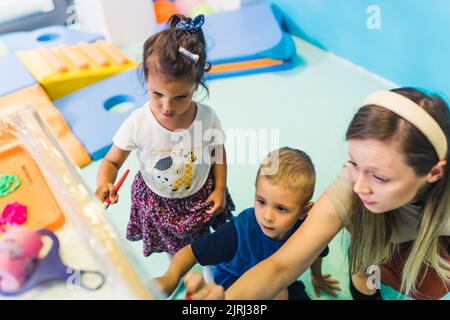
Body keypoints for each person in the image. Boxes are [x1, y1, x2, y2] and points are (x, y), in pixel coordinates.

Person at [184, 88, 450, 300]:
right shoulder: (352, 187)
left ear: (434, 173)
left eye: (379, 176)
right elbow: (280, 266)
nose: (358, 188)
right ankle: (364, 280)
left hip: (430, 242)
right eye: (353, 163)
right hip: (379, 250)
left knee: (430, 286)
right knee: (367, 274)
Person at [96, 14, 235, 257]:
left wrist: (220, 187)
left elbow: (218, 152)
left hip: (200, 195)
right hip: (158, 201)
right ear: (146, 79)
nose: (167, 106)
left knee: (202, 245)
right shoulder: (138, 123)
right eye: (157, 94)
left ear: (197, 82)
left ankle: (206, 273)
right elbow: (111, 161)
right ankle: (178, 271)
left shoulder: (206, 118)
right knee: (173, 246)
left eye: (180, 96)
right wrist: (104, 183)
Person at [154, 147, 340, 299]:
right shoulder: (238, 232)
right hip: (233, 282)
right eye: (261, 201)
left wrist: (317, 276)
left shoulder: (307, 230)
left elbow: (317, 252)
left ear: (304, 211)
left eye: (281, 208)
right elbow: (190, 253)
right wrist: (170, 277)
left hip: (284, 281)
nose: (267, 216)